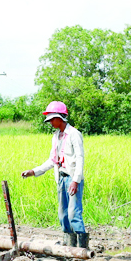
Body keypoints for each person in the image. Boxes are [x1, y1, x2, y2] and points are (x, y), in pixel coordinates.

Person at [21, 101, 87, 249]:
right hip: (61, 178)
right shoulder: (56, 136)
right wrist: (34, 171)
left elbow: (80, 158)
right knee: (63, 214)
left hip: (72, 178)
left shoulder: (74, 134)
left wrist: (76, 181)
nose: (50, 122)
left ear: (60, 118)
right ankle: (69, 246)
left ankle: (82, 248)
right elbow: (53, 160)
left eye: (52, 119)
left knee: (74, 213)